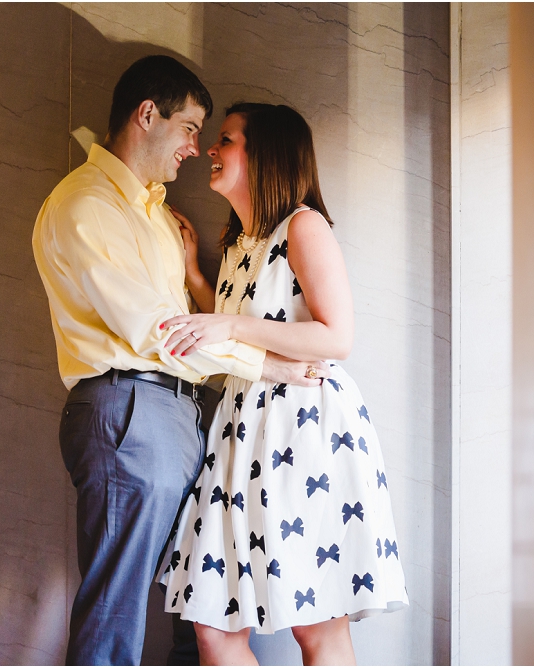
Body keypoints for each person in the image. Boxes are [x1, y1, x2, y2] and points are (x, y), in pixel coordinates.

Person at [31, 56, 323, 666]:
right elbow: (158, 332)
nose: (196, 147)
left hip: (185, 413)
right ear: (147, 115)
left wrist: (193, 274)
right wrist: (269, 367)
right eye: (190, 127)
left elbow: (191, 317)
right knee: (116, 606)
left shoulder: (156, 213)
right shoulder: (87, 207)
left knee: (206, 604)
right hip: (130, 407)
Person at [158, 103, 408, 665]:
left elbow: (336, 336)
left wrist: (228, 322)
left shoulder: (303, 225)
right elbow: (234, 331)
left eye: (225, 139)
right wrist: (199, 281)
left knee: (317, 627)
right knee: (213, 629)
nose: (210, 152)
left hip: (304, 430)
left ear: (265, 152)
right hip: (242, 432)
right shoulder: (237, 242)